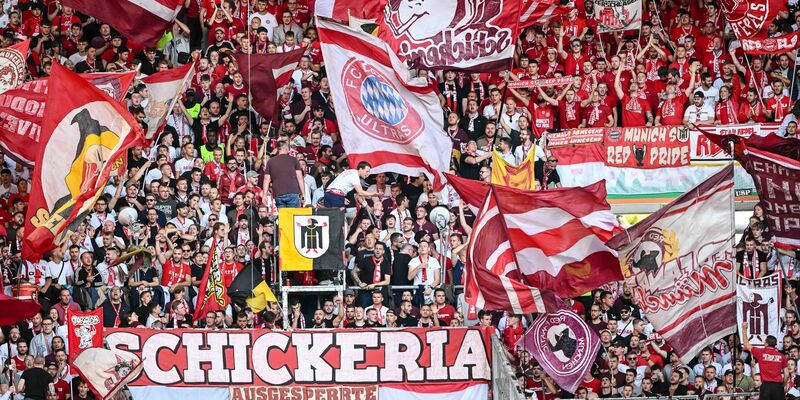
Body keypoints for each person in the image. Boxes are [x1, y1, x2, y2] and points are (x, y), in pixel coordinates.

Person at [742, 322, 787, 400]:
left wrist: (744, 329)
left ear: (766, 343)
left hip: (766, 386)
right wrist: (784, 384)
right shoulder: (782, 356)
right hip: (778, 386)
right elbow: (786, 374)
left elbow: (746, 344)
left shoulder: (761, 353)